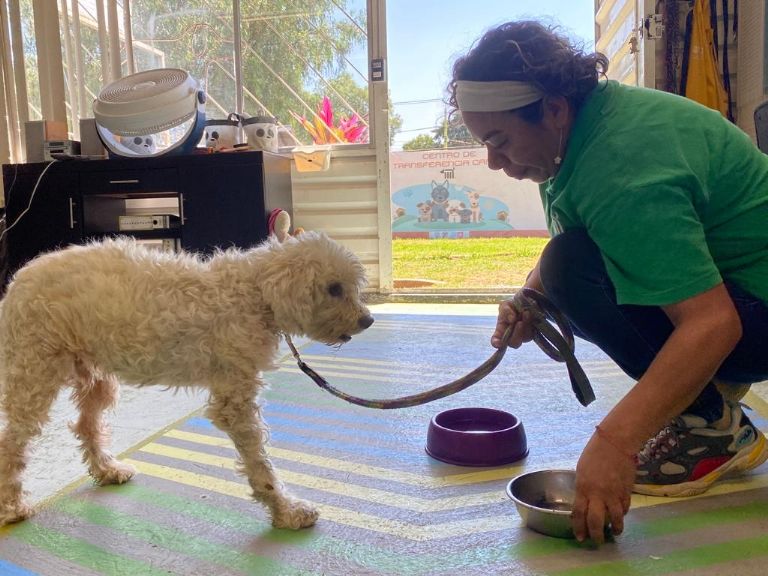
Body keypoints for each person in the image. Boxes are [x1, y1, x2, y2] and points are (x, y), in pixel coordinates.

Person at [447, 20, 768, 544]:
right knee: (563, 267)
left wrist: (615, 443)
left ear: (552, 108)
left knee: (571, 271)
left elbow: (712, 323)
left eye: (500, 140)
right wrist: (530, 299)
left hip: (751, 313)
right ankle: (710, 389)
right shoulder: (584, 129)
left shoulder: (623, 163)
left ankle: (714, 428)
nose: (493, 161)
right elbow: (583, 236)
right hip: (748, 288)